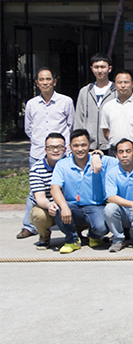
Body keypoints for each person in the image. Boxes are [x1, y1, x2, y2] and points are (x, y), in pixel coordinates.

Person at [19, 67, 74, 240]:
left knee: (66, 188)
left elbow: (71, 125)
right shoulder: (31, 104)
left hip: (62, 153)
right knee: (35, 190)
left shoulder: (66, 101)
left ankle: (69, 221)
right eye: (41, 80)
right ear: (37, 83)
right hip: (38, 152)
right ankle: (29, 226)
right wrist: (41, 143)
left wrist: (60, 147)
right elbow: (28, 128)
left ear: (54, 81)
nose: (45, 82)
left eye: (48, 79)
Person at [50, 129, 116, 254]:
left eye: (83, 145)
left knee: (102, 227)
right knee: (58, 208)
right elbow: (55, 188)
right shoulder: (62, 164)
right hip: (72, 206)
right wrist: (64, 206)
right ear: (70, 147)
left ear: (89, 145)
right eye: (76, 145)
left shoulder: (101, 161)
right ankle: (72, 240)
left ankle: (94, 236)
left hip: (95, 206)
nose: (80, 149)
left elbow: (126, 161)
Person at [103, 139, 133, 252]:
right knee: (110, 208)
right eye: (121, 152)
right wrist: (132, 204)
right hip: (122, 211)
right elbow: (111, 197)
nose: (124, 155)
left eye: (128, 151)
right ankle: (118, 240)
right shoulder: (112, 172)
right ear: (116, 155)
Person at [27, 133, 67, 249]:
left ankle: (77, 234)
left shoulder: (71, 163)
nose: (55, 150)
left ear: (65, 149)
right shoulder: (36, 169)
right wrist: (50, 205)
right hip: (48, 206)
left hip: (69, 204)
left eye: (59, 147)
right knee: (38, 215)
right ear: (45, 150)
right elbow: (40, 198)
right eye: (51, 147)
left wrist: (96, 154)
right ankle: (44, 237)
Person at [100, 70, 133, 157]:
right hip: (115, 151)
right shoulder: (107, 106)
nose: (123, 85)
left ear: (132, 84)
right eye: (119, 82)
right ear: (115, 84)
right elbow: (106, 131)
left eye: (126, 82)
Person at [74, 53, 114, 152]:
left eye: (103, 67)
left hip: (111, 144)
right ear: (92, 69)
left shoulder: (116, 91)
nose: (99, 70)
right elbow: (79, 119)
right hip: (89, 145)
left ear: (109, 69)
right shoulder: (85, 91)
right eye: (96, 67)